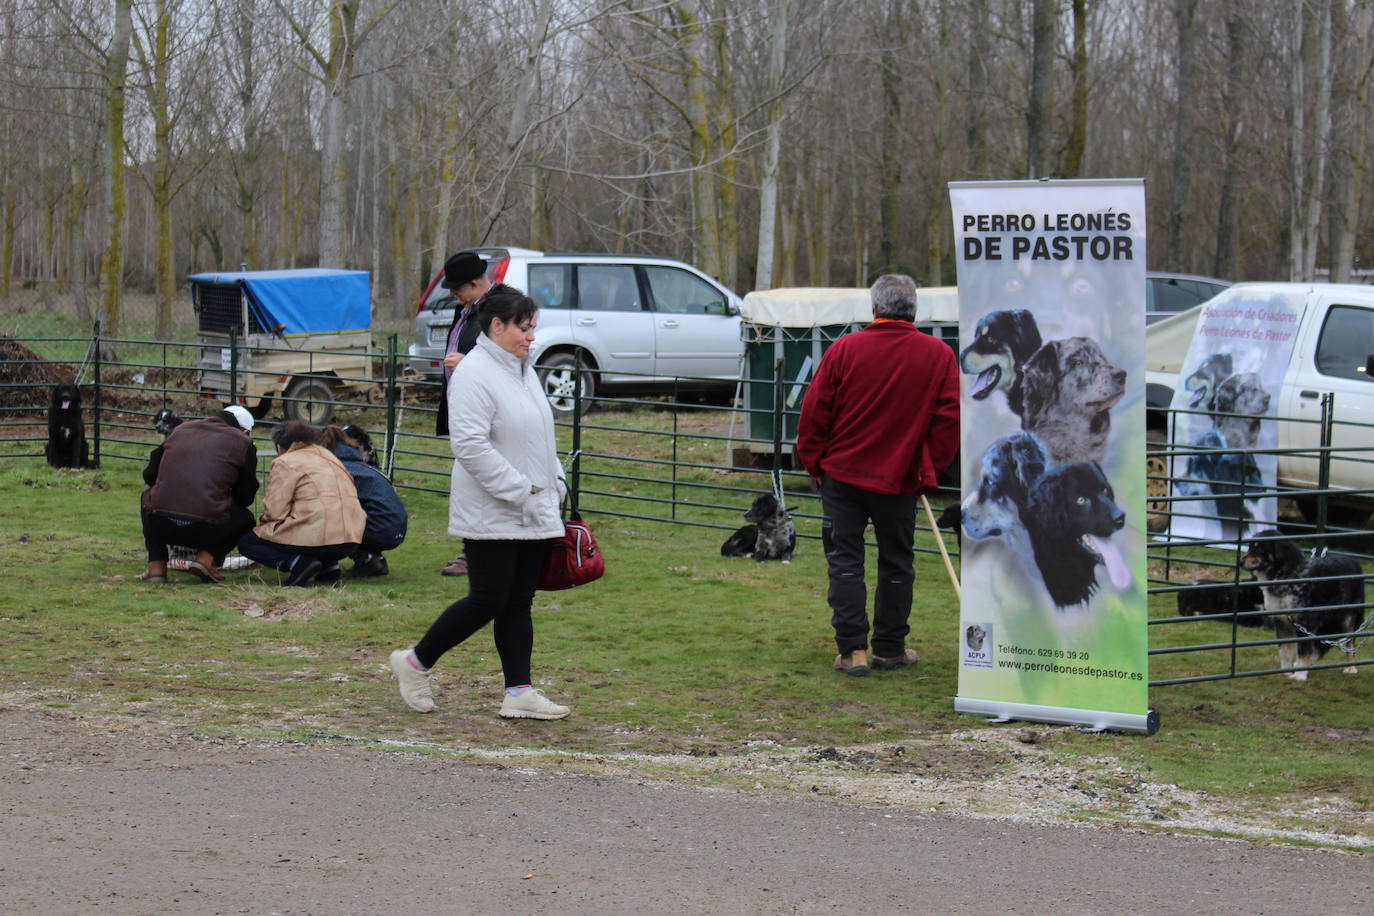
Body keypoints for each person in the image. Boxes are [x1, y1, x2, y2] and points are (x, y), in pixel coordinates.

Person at [389, 287, 570, 720]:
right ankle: (414, 663)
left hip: (533, 506)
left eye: (532, 328)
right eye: (524, 328)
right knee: (487, 598)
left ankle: (519, 691)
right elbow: (468, 445)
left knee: (518, 602)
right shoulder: (474, 374)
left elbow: (537, 436)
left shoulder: (522, 370)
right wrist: (521, 488)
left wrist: (555, 482)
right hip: (493, 508)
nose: (531, 337)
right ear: (496, 326)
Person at [795, 274, 960, 677]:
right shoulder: (938, 354)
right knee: (897, 564)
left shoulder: (844, 349)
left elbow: (815, 413)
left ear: (874, 308)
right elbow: (949, 420)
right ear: (914, 310)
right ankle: (889, 648)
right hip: (900, 478)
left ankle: (852, 651)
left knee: (845, 563)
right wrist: (929, 468)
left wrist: (815, 463)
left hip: (843, 476)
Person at [237, 420, 366, 587]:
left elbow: (275, 510)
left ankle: (297, 563)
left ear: (280, 448)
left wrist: (265, 524)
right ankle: (329, 566)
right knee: (320, 527)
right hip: (350, 538)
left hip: (316, 539)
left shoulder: (286, 461)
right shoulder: (330, 457)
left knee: (249, 542)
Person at [139, 405, 259, 583]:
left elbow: (149, 474)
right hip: (207, 528)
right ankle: (206, 559)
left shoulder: (180, 430)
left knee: (148, 496)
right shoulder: (242, 443)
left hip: (160, 523)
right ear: (244, 431)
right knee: (245, 518)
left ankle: (156, 565)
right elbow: (245, 497)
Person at [434, 250, 492, 578]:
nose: (454, 294)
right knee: (470, 481)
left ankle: (476, 553)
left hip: (486, 415)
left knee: (477, 482)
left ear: (474, 283)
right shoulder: (469, 309)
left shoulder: (499, 311)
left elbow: (511, 362)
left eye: (457, 288)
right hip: (465, 411)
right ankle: (476, 550)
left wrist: (466, 363)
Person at [327, 425, 408, 576]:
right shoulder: (363, 466)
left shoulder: (342, 469)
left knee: (334, 518)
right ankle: (377, 559)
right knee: (362, 512)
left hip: (381, 527)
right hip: (397, 527)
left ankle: (365, 559)